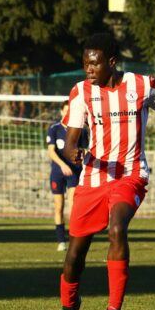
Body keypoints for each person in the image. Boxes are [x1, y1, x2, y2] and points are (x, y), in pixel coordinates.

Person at [56, 33, 155, 310]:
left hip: (130, 175)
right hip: (93, 177)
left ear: (111, 62)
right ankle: (69, 307)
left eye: (93, 64)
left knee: (117, 229)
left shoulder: (142, 86)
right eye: (84, 63)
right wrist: (72, 152)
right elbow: (70, 141)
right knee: (74, 256)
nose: (87, 70)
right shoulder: (80, 92)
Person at [46, 101, 88, 251]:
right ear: (61, 112)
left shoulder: (80, 130)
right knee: (59, 206)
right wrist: (62, 165)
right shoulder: (54, 129)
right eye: (65, 111)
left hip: (74, 172)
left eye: (70, 111)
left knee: (74, 206)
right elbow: (51, 151)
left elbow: (84, 150)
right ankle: (61, 241)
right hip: (58, 172)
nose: (67, 114)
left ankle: (73, 239)